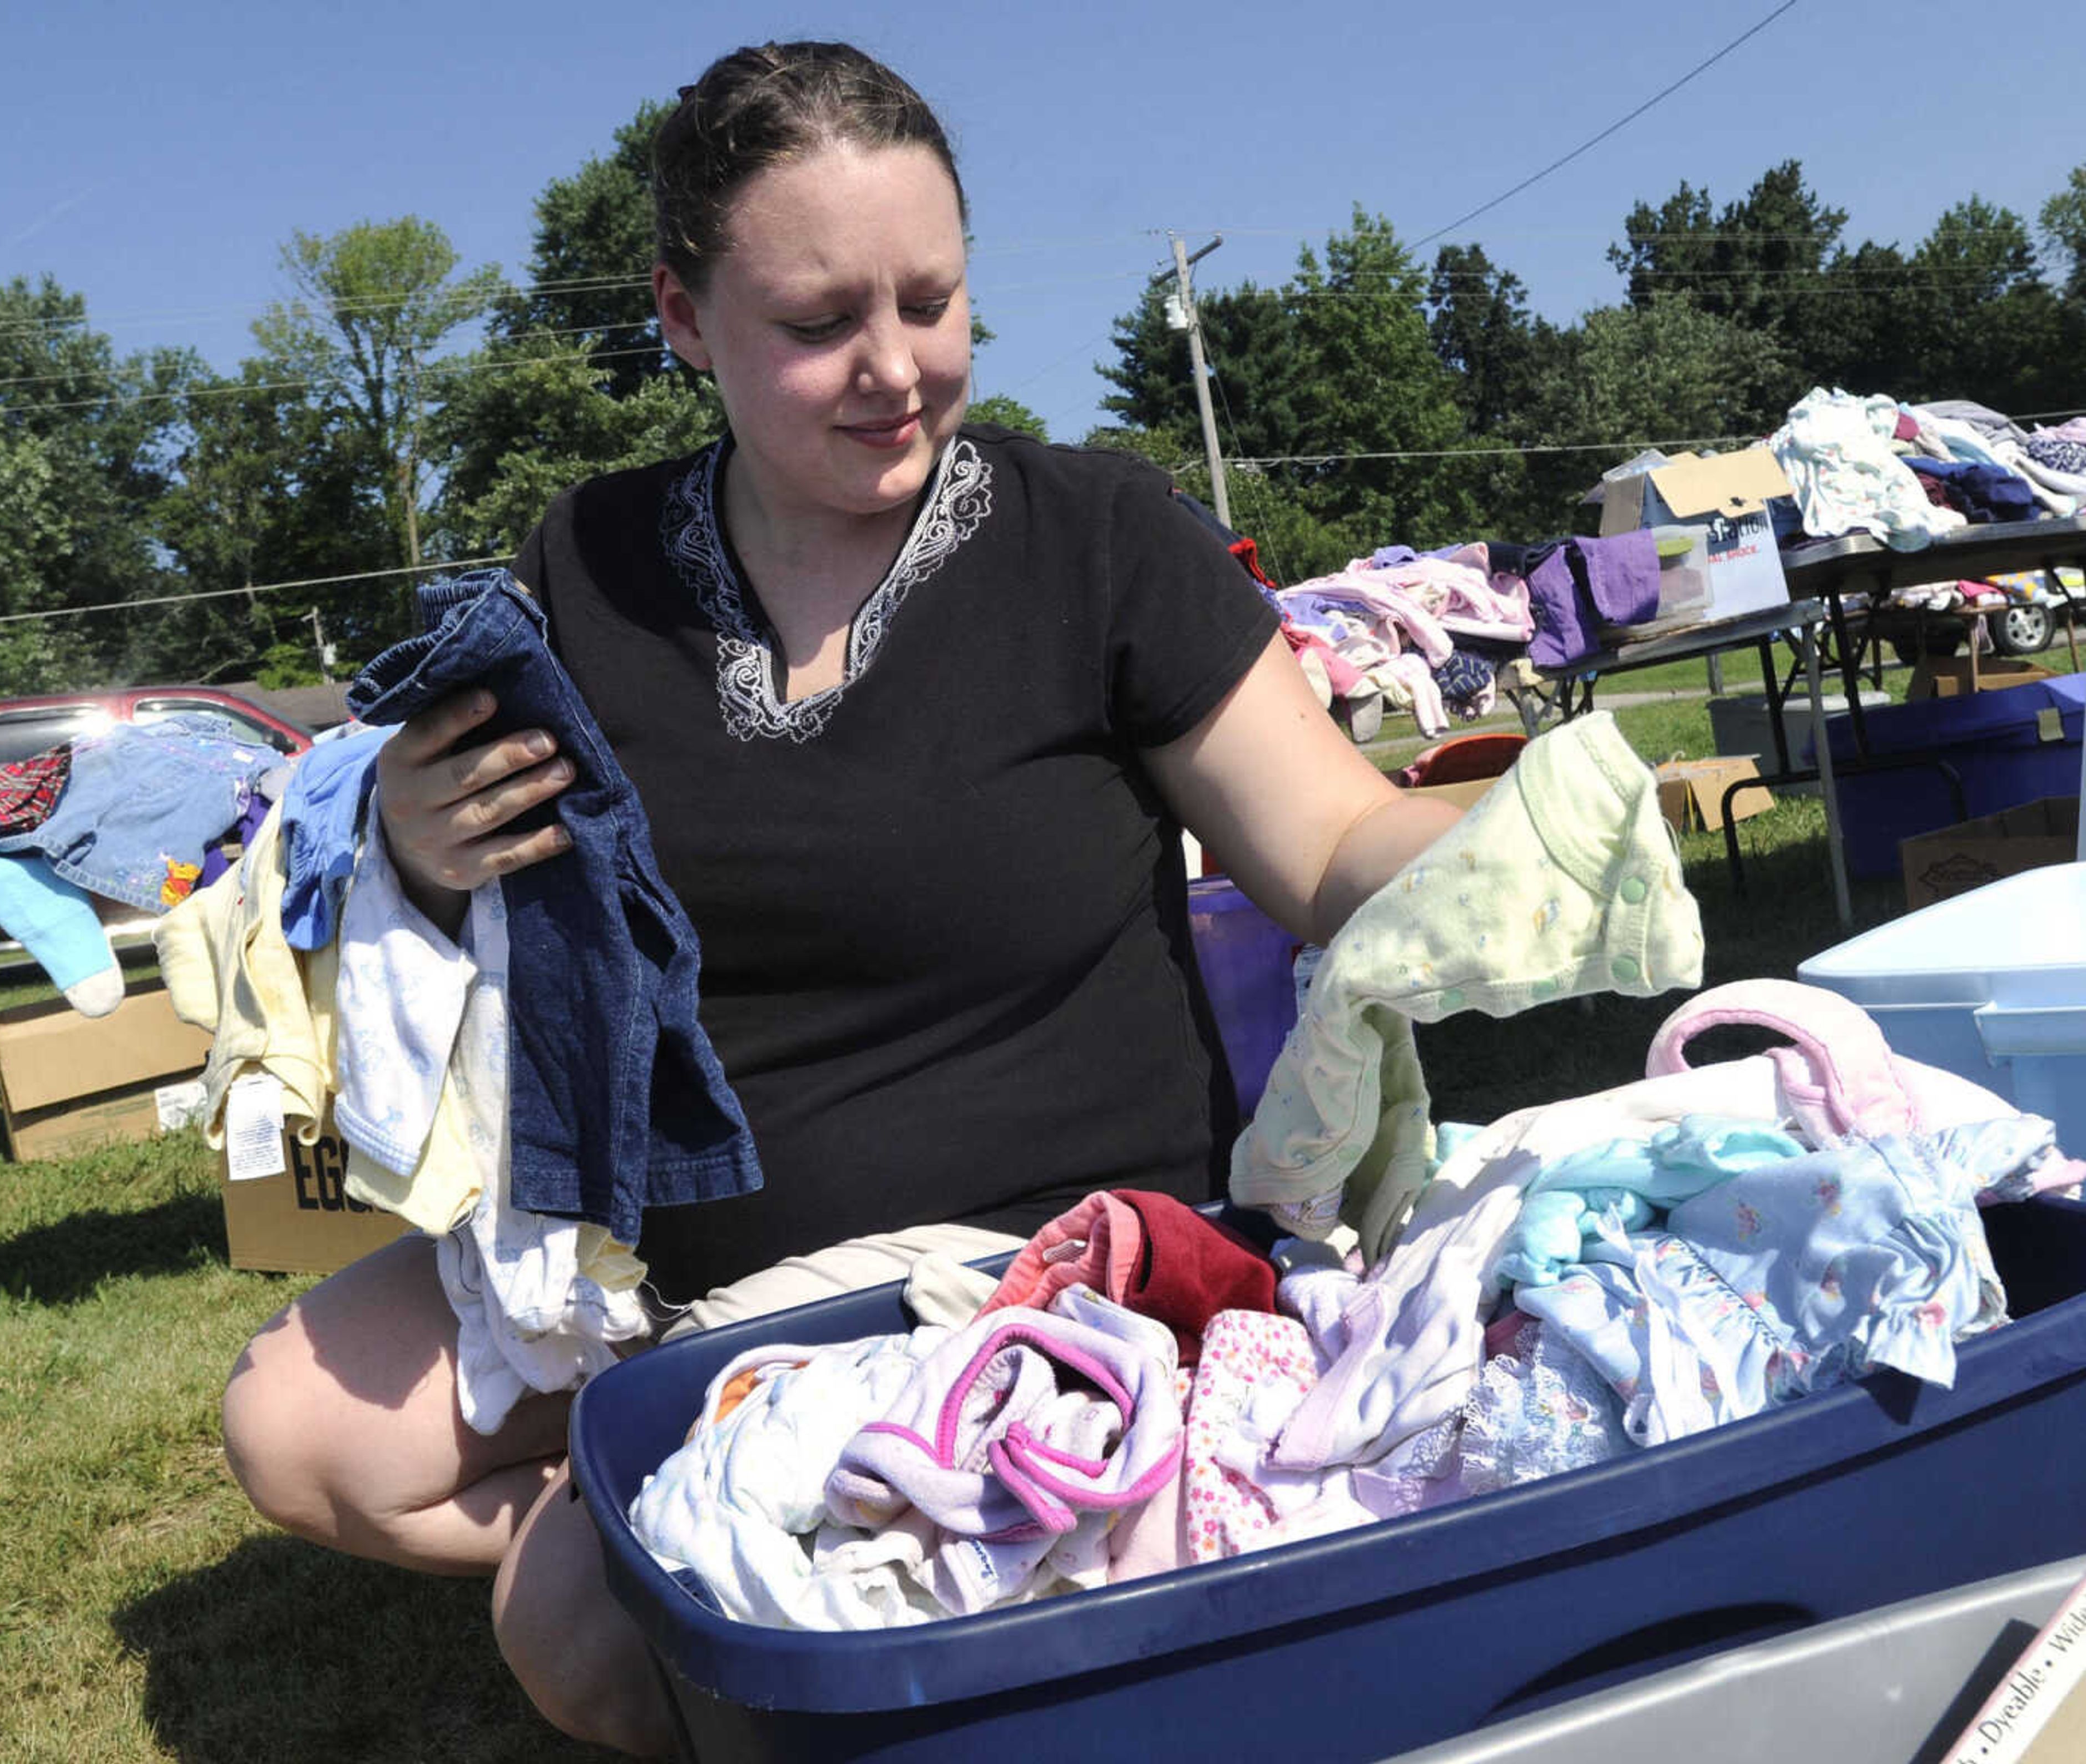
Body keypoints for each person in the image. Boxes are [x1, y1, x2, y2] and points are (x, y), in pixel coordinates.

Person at [218, 39, 1460, 1757]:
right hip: (682, 1272)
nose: (896, 370)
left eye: (934, 302)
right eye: (819, 325)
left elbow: (1328, 844)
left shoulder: (1093, 540)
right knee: (293, 1428)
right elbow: (442, 908)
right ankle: (699, 1504)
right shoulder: (587, 566)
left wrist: (1492, 864)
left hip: (1039, 1267)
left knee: (571, 1633)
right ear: (679, 315)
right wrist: (420, 853)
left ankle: (740, 1578)